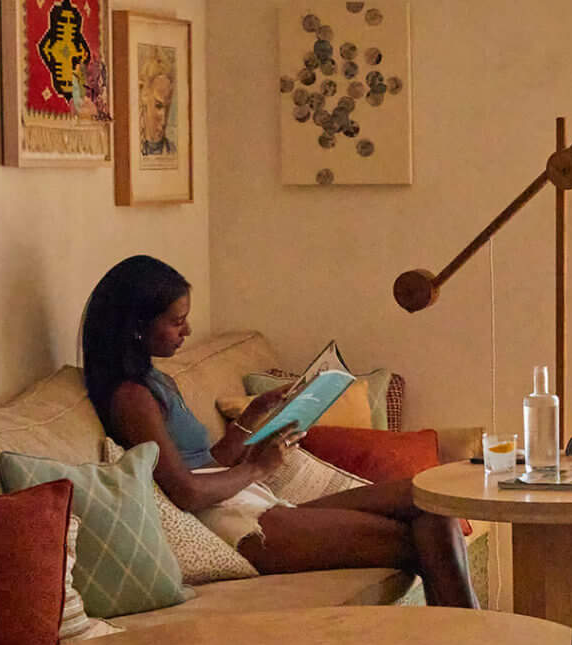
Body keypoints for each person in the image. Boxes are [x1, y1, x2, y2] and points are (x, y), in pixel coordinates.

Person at [81, 254, 478, 608]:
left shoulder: (156, 380)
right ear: (137, 326)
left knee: (430, 500)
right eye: (176, 321)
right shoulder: (131, 398)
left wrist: (255, 414)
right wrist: (258, 467)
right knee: (424, 538)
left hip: (249, 501)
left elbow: (206, 463)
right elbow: (186, 492)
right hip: (234, 524)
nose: (187, 330)